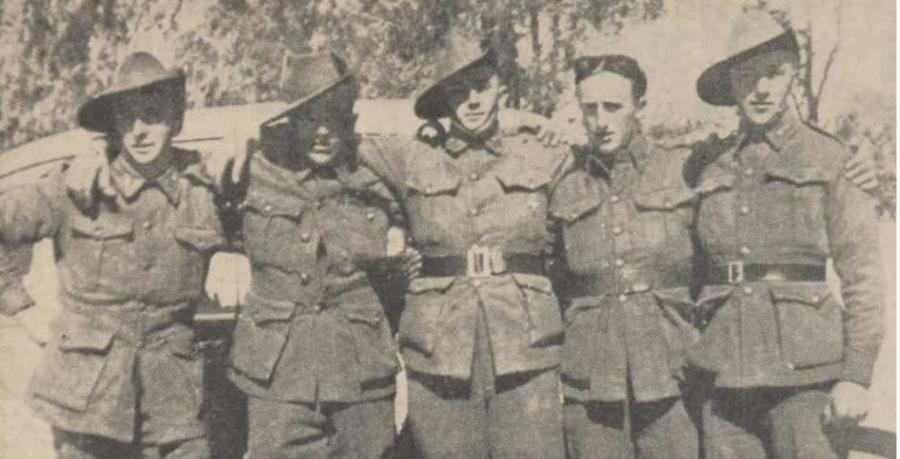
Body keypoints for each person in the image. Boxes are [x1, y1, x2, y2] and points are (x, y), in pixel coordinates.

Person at [0, 52, 225, 458]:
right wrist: (19, 305)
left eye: (153, 114)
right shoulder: (76, 184)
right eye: (127, 118)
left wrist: (252, 145)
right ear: (113, 128)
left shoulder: (203, 189)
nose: (139, 131)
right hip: (87, 400)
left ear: (175, 120)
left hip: (174, 400)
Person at [363, 32, 570, 458]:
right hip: (440, 349)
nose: (472, 101)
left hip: (526, 347)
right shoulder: (411, 157)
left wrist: (528, 120)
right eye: (458, 92)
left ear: (501, 89)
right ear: (443, 101)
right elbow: (346, 146)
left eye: (482, 87)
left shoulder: (542, 154)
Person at [687, 9, 883, 458]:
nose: (761, 88)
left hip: (806, 375)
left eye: (773, 73)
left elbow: (864, 279)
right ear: (731, 84)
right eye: (747, 75)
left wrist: (856, 375)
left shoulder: (831, 158)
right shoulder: (707, 165)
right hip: (725, 373)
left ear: (793, 75)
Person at [224, 51, 408, 458]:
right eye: (309, 118)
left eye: (333, 116)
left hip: (361, 372)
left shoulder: (376, 169)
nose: (322, 132)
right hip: (278, 376)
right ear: (290, 122)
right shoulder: (254, 169)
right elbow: (177, 176)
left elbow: (446, 174)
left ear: (349, 118)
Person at [549, 54, 700, 459]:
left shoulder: (685, 170)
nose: (601, 120)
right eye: (590, 108)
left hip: (672, 372)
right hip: (591, 376)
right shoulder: (563, 184)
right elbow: (552, 278)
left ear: (640, 107)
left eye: (613, 107)